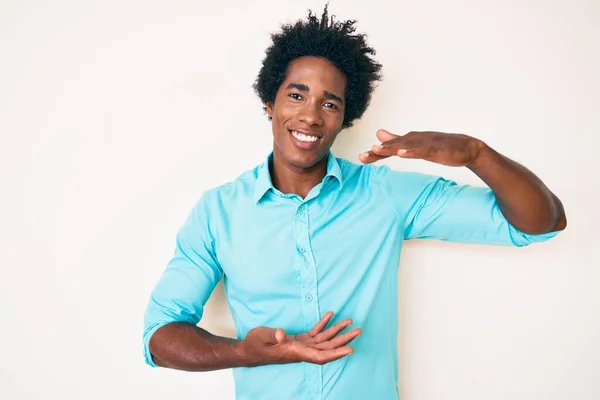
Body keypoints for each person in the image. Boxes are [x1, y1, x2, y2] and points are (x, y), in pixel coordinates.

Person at [142, 5, 566, 400]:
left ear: (345, 118)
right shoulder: (219, 212)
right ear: (269, 103)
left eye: (330, 103)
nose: (310, 115)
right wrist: (248, 353)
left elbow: (539, 222)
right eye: (296, 95)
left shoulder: (384, 194)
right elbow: (159, 338)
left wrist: (476, 154)